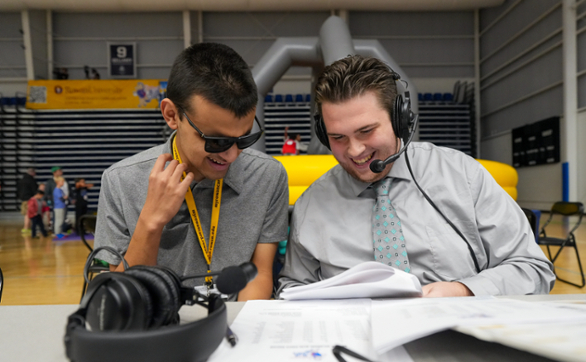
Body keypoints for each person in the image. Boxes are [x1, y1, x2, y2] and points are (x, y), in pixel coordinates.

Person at [278, 55, 555, 297]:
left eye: (366, 131)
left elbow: (533, 269)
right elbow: (291, 289)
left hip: (458, 332)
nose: (355, 150)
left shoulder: (463, 176)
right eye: (338, 137)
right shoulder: (311, 205)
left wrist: (464, 290)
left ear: (401, 119)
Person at [94, 42, 289, 301]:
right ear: (172, 115)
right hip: (155, 327)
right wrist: (151, 223)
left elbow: (260, 274)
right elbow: (116, 298)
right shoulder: (120, 182)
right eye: (216, 141)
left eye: (244, 138)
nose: (231, 154)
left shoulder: (267, 176)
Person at [17, 168, 38, 234]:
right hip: (30, 199)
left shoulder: (21, 180)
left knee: (26, 214)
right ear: (32, 173)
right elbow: (35, 190)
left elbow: (18, 190)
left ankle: (27, 227)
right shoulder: (31, 180)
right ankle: (26, 228)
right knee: (28, 214)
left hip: (23, 199)